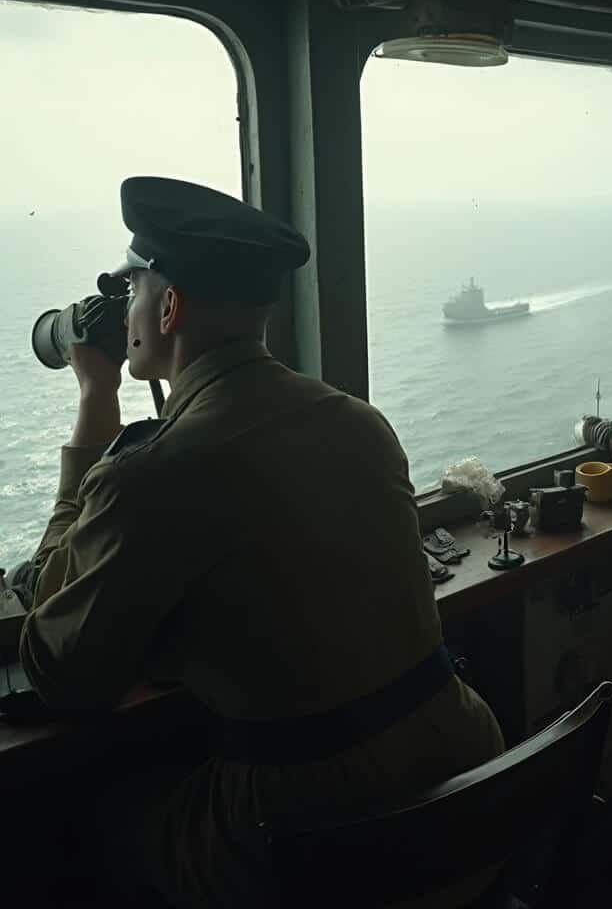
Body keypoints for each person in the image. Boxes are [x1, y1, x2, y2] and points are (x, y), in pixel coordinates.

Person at [18, 176, 504, 906]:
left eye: (134, 291)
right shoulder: (357, 420)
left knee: (79, 835)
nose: (127, 314)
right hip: (465, 773)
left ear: (170, 305)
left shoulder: (153, 474)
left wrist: (97, 399)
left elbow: (63, 674)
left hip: (321, 837)